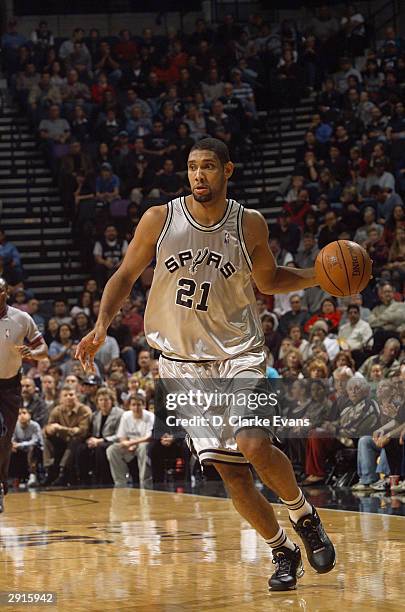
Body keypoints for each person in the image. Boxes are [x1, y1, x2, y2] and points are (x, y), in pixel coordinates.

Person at [76, 138, 337, 592]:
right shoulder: (160, 219)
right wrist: (101, 325)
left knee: (253, 444)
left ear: (227, 171)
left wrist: (322, 275)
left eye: (209, 167)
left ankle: (303, 515)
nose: (199, 175)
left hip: (240, 352)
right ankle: (282, 550)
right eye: (193, 166)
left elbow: (269, 280)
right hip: (181, 364)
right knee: (232, 474)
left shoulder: (248, 223)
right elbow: (124, 275)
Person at [0, 278, 48, 512]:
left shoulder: (21, 318)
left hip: (10, 385)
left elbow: (43, 350)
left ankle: (1, 485)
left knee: (5, 438)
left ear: (6, 293)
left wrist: (32, 352)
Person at [106, 392, 154, 487]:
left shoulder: (150, 416)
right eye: (133, 405)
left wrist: (132, 443)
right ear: (129, 406)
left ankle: (144, 481)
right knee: (112, 450)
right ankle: (120, 481)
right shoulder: (125, 416)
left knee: (143, 448)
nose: (136, 408)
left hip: (143, 444)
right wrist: (127, 443)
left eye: (139, 405)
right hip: (129, 445)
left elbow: (149, 437)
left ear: (144, 405)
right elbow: (122, 436)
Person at [9, 407, 43, 488]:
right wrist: (12, 445)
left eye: (24, 413)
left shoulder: (35, 425)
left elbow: (36, 441)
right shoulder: (15, 425)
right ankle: (15, 478)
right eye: (19, 414)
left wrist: (19, 445)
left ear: (29, 415)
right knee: (11, 450)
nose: (21, 416)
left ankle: (32, 476)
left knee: (32, 448)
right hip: (21, 450)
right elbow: (12, 439)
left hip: (36, 450)